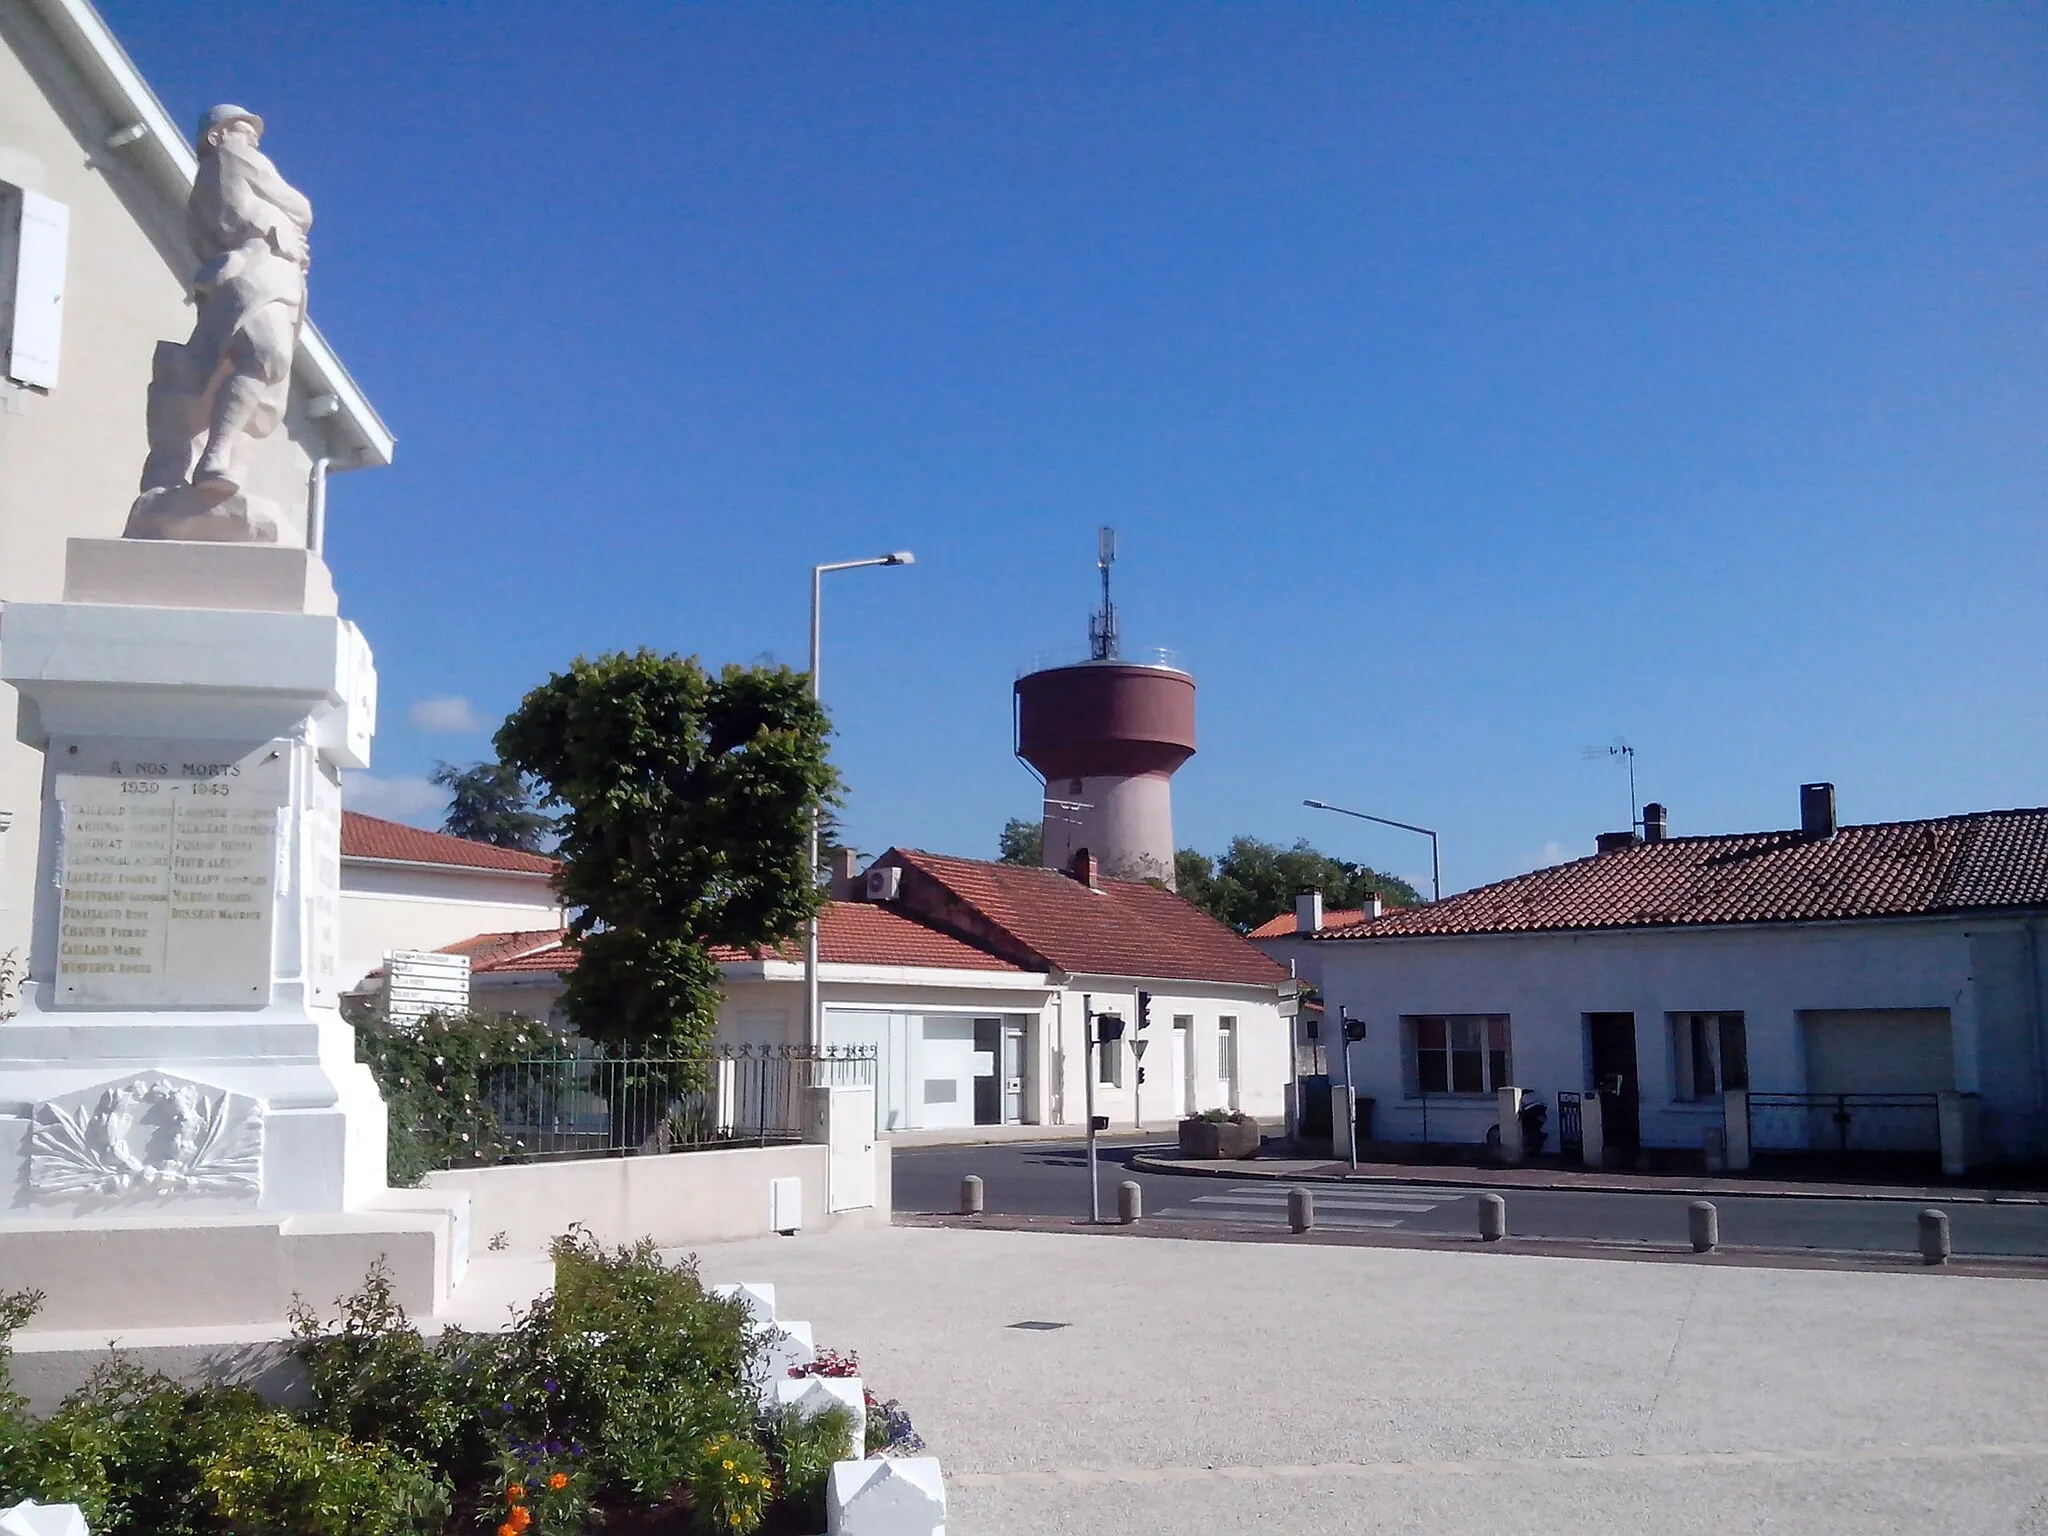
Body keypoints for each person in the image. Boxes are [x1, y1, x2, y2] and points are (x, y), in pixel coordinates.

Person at [137, 104, 312, 500]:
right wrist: (286, 222)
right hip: (258, 267)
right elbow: (303, 208)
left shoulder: (213, 181)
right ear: (217, 136)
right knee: (264, 354)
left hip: (263, 270)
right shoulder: (234, 158)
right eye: (241, 128)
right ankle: (216, 455)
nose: (252, 136)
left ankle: (212, 453)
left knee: (241, 364)